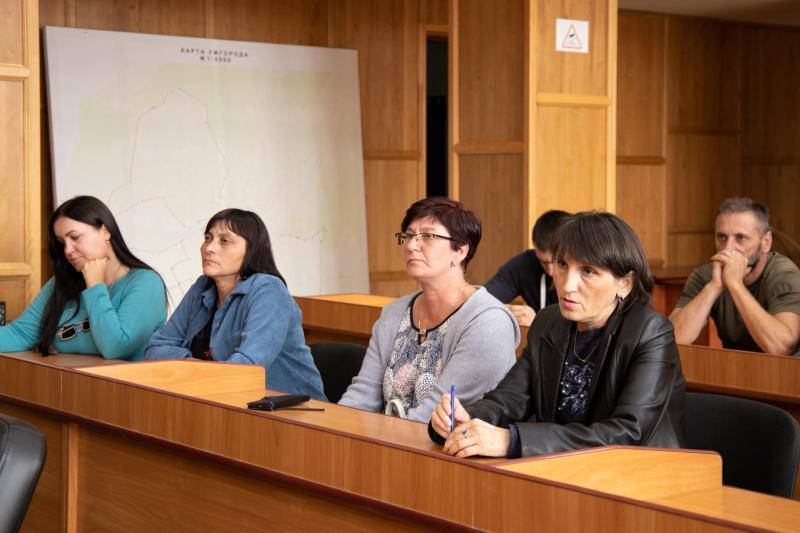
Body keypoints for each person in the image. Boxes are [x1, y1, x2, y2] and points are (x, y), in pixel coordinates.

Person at [429, 211, 686, 458]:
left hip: (641, 474)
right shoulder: (549, 322)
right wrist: (464, 419)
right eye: (562, 265)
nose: (566, 285)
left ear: (625, 283)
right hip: (562, 469)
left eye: (588, 271)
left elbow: (628, 432)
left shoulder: (651, 332)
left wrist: (512, 440)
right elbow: (509, 399)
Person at [339, 197, 519, 423]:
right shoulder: (394, 313)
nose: (411, 246)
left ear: (460, 251)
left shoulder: (488, 322)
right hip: (388, 439)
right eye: (409, 236)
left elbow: (435, 415)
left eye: (428, 236)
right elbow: (362, 395)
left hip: (447, 442)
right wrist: (333, 427)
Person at [145, 208, 325, 400]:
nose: (209, 248)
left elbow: (246, 368)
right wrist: (195, 366)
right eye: (207, 238)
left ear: (251, 250)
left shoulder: (268, 290)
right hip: (221, 398)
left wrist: (186, 368)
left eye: (224, 241)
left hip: (292, 409)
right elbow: (155, 348)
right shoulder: (202, 287)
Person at [0, 196, 166, 360]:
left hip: (122, 379)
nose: (67, 250)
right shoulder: (62, 282)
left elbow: (115, 348)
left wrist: (95, 287)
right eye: (62, 242)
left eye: (75, 237)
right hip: (65, 377)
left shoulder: (146, 283)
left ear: (105, 231)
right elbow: (20, 334)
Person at [670, 198, 800, 354]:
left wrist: (735, 284)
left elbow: (782, 348)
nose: (728, 248)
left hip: (784, 368)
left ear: (766, 242)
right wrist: (713, 287)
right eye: (721, 237)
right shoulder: (707, 275)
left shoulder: (784, 274)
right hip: (737, 367)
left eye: (740, 238)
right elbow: (669, 340)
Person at [484, 210, 571, 327]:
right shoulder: (525, 265)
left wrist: (538, 323)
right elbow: (483, 300)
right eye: (544, 262)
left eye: (560, 263)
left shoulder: (585, 278)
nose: (551, 271)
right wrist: (498, 311)